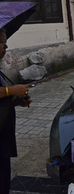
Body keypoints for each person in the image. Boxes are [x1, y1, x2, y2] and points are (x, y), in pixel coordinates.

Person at [0, 28, 32, 194]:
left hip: (3, 133)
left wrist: (17, 101)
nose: (6, 46)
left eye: (5, 42)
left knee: (4, 179)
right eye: (1, 42)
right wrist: (11, 91)